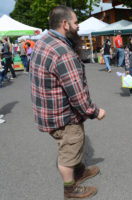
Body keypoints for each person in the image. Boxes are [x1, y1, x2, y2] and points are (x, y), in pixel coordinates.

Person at [30, 6, 106, 199]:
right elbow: (77, 93)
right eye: (75, 22)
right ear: (65, 24)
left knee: (71, 146)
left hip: (47, 112)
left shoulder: (43, 41)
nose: (77, 26)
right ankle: (70, 190)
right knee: (70, 148)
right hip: (63, 116)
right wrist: (95, 112)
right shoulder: (62, 51)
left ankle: (79, 171)